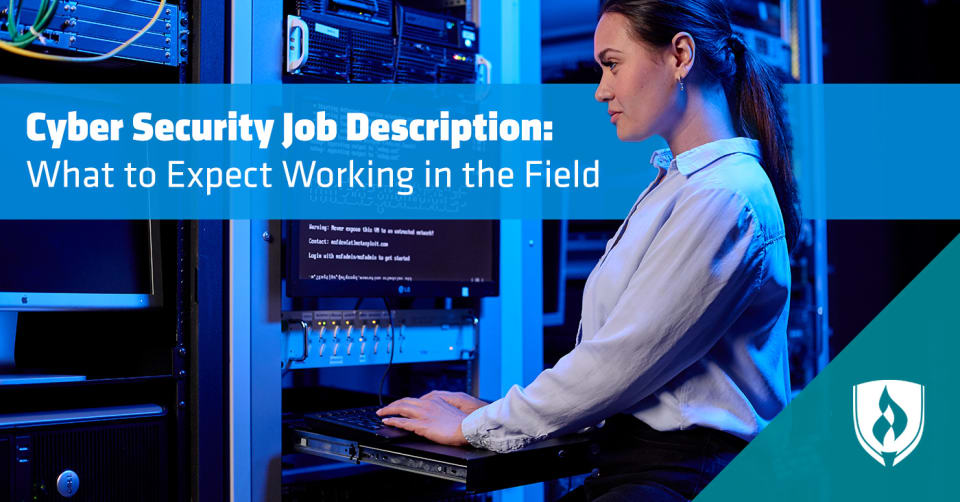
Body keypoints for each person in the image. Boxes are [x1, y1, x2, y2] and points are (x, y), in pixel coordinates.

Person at [377, 0, 798, 499]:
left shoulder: (723, 196)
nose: (601, 89)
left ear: (680, 56)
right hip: (643, 466)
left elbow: (622, 361)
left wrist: (479, 427)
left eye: (613, 64)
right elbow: (623, 368)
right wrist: (493, 412)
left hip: (683, 476)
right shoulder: (681, 186)